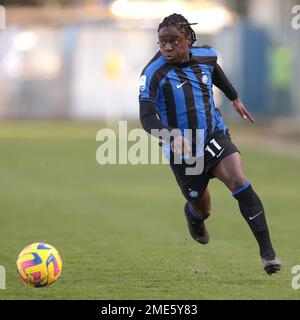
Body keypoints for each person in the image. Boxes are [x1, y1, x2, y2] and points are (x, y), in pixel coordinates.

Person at [139, 13, 281, 275]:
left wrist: (234, 97)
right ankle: (194, 217)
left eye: (174, 41)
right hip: (183, 149)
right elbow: (146, 117)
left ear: (188, 39)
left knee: (238, 180)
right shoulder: (153, 74)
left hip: (214, 135)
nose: (167, 48)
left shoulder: (206, 55)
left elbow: (215, 70)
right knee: (202, 206)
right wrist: (170, 135)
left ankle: (268, 254)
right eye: (162, 42)